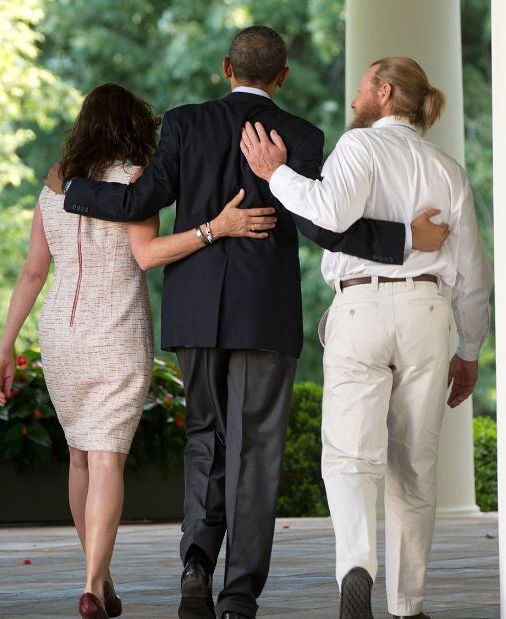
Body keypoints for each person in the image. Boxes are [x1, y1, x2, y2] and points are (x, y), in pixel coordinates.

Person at [56, 28, 449, 619]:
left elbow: (141, 204)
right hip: (265, 315)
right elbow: (324, 226)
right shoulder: (303, 135)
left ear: (225, 68)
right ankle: (239, 595)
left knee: (204, 439)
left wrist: (76, 190)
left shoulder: (185, 123)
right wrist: (404, 238)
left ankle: (194, 568)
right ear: (282, 77)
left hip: (194, 313)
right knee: (256, 449)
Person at [0, 83, 280, 619]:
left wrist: (4, 348)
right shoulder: (135, 181)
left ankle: (97, 580)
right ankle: (94, 585)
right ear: (133, 127)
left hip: (60, 332)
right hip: (116, 331)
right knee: (106, 458)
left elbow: (33, 272)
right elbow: (147, 256)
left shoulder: (56, 186)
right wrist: (216, 228)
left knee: (79, 456)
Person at [239, 56, 492, 619]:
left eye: (360, 92)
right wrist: (469, 351)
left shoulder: (359, 148)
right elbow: (474, 273)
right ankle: (409, 604)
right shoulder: (448, 169)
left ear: (383, 92)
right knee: (416, 462)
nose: (353, 103)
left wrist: (275, 174)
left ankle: (357, 566)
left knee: (350, 454)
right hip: (429, 311)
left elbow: (329, 213)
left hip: (361, 307)